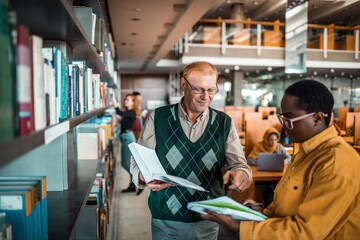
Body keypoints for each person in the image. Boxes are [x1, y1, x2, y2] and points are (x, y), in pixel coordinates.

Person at [201, 79, 360, 239]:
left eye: (289, 120)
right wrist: (261, 213)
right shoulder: (307, 153)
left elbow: (306, 233)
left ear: (317, 118)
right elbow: (289, 209)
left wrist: (242, 227)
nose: (283, 127)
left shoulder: (336, 161)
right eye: (282, 118)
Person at [130, 61, 252, 239]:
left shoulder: (224, 122)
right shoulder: (158, 118)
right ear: (183, 85)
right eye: (199, 89)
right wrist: (143, 176)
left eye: (211, 90)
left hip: (208, 219)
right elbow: (137, 160)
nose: (206, 96)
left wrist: (241, 174)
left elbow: (240, 165)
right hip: (166, 220)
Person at [111, 92, 140, 193]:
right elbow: (124, 121)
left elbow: (119, 111)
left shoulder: (132, 113)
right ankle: (132, 185)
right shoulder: (128, 113)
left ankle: (139, 181)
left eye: (128, 100)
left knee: (125, 164)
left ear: (133, 103)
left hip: (128, 139)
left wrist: (113, 97)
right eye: (125, 100)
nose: (125, 101)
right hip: (126, 138)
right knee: (127, 163)